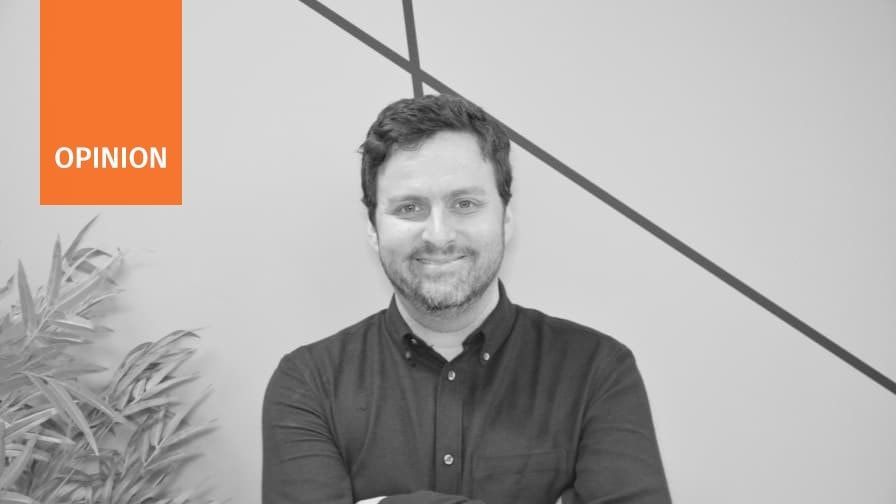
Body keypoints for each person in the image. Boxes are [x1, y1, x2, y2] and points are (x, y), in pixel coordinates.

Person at [262, 94, 672, 504]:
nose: (439, 235)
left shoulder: (596, 370)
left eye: (464, 204)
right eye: (409, 207)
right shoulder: (309, 384)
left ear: (505, 219)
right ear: (373, 229)